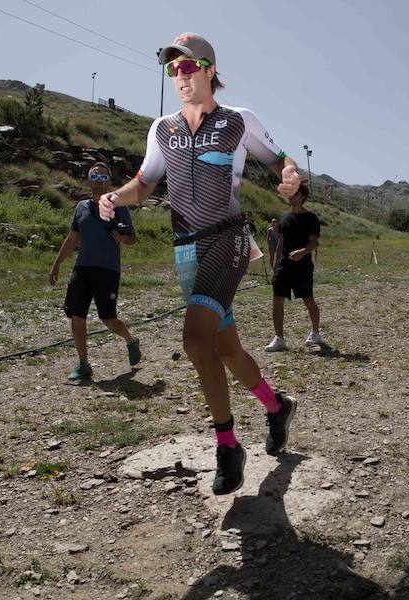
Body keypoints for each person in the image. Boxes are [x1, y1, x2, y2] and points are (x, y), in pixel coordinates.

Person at [97, 33, 299, 496]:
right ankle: (276, 406)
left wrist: (289, 174)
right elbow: (145, 182)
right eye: (173, 68)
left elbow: (280, 159)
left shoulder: (238, 120)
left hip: (227, 240)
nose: (180, 75)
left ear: (210, 69)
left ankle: (228, 446)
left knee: (193, 340)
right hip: (185, 248)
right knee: (225, 349)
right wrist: (115, 197)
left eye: (188, 66)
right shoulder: (161, 128)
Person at [49, 162, 141, 380]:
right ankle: (83, 364)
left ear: (108, 182)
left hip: (107, 269)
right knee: (76, 315)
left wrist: (122, 238)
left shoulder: (119, 206)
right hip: (82, 268)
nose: (98, 181)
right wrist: (56, 264)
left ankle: (130, 340)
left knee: (108, 319)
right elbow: (73, 238)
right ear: (88, 181)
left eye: (103, 177)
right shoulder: (81, 207)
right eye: (95, 176)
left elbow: (133, 238)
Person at [265, 182, 321, 352]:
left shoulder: (311, 218)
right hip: (283, 266)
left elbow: (314, 243)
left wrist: (302, 252)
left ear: (302, 196)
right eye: (290, 194)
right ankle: (279, 338)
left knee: (308, 299)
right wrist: (276, 265)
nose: (291, 196)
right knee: (277, 300)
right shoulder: (284, 218)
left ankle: (315, 333)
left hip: (303, 266)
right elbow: (281, 242)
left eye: (295, 193)